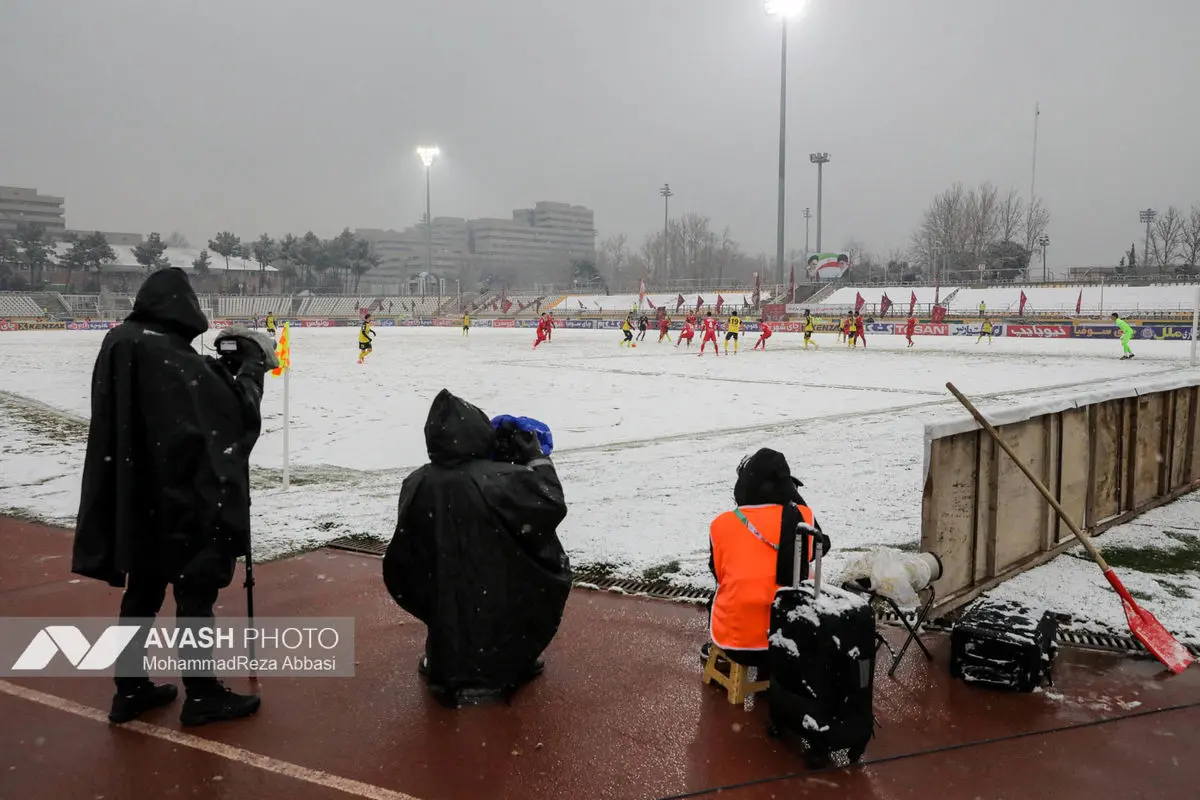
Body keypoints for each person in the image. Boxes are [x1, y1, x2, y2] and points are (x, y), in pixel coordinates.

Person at [73, 268, 276, 726]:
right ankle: (202, 694)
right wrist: (249, 373)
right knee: (194, 597)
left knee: (142, 593)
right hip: (182, 499)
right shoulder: (166, 352)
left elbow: (178, 402)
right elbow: (230, 420)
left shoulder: (121, 342)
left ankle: (130, 688)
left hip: (137, 491)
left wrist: (212, 374)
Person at [383, 390, 571, 707]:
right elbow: (550, 503)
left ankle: (442, 660)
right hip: (496, 583)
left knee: (452, 603)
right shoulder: (500, 481)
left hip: (438, 582)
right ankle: (502, 667)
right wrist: (537, 459)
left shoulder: (416, 481)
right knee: (520, 579)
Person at [701, 448, 830, 670]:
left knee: (726, 588)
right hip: (791, 641)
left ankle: (723, 659)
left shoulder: (721, 524)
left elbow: (718, 573)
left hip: (736, 643)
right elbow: (821, 547)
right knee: (805, 575)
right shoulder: (802, 517)